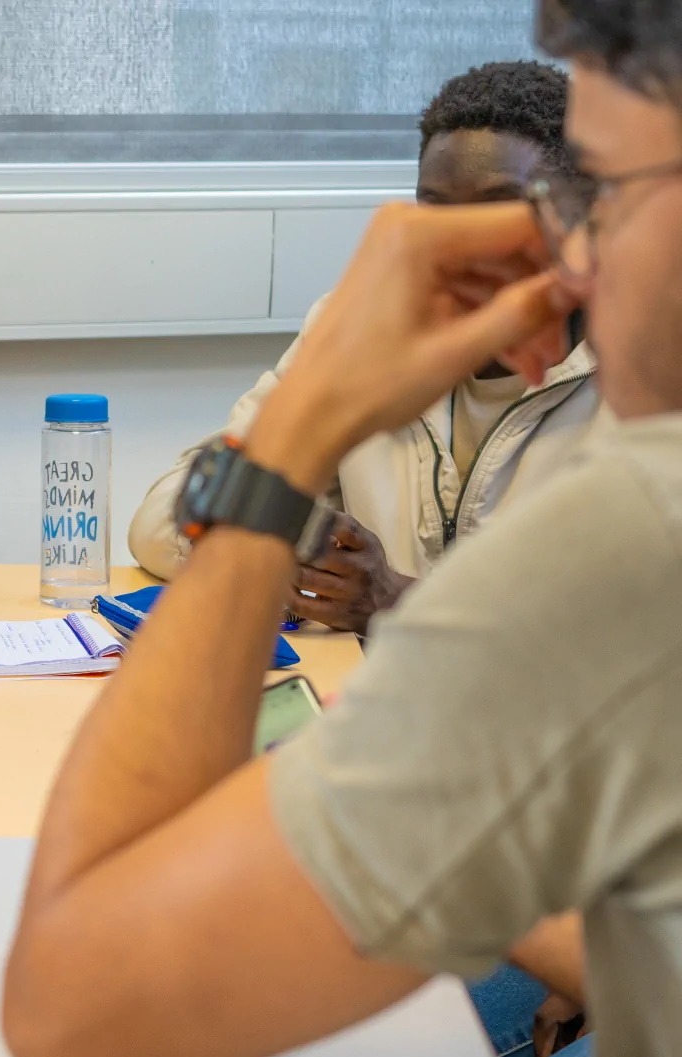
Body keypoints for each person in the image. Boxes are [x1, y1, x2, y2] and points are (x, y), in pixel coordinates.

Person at [0, 2, 682, 1057]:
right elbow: (155, 520)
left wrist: (287, 460)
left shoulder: (639, 507)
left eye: (600, 199)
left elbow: (71, 1007)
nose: (564, 263)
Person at [129, 60, 601, 634]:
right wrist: (288, 546)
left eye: (500, 212)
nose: (458, 250)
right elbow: (163, 517)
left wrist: (401, 601)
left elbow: (630, 643)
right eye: (435, 214)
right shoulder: (364, 334)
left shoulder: (642, 381)